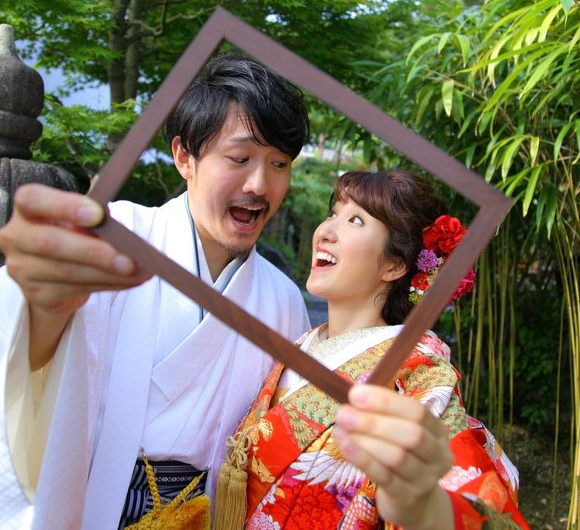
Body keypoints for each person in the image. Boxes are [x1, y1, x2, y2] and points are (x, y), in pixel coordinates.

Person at [0, 53, 312, 529]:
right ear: (185, 157)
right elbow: (23, 352)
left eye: (279, 164)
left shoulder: (283, 302)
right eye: (240, 158)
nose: (259, 184)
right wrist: (40, 308)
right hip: (92, 500)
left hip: (205, 512)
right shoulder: (113, 237)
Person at [216, 170, 529, 529]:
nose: (326, 231)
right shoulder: (306, 344)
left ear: (394, 265)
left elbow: (459, 484)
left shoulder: (417, 370)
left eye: (355, 220)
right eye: (333, 213)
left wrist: (427, 505)